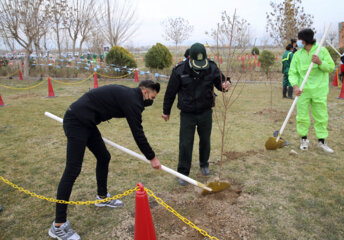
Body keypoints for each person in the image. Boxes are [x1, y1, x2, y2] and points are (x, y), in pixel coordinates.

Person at [48, 80, 162, 240]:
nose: (151, 101)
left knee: (104, 157)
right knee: (72, 170)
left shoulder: (131, 96)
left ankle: (102, 198)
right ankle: (58, 225)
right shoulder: (132, 101)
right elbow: (138, 133)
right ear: (144, 92)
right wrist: (152, 157)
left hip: (88, 122)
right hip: (76, 121)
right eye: (152, 97)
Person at [162, 43, 231, 186]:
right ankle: (183, 172)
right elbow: (170, 92)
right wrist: (166, 111)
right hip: (187, 114)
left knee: (205, 140)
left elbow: (221, 83)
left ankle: (204, 164)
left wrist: (226, 85)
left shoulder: (211, 67)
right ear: (189, 58)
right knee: (185, 143)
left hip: (206, 112)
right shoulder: (179, 70)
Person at [289, 29, 335, 153]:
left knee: (321, 116)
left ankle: (322, 141)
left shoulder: (322, 51)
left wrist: (320, 62)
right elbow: (292, 73)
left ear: (304, 40)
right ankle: (304, 139)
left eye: (299, 39)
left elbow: (331, 67)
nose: (297, 42)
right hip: (302, 91)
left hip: (319, 90)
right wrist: (295, 86)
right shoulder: (297, 55)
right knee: (302, 117)